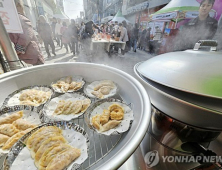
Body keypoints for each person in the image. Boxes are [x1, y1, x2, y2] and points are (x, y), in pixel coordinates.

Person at [9, 0, 44, 65]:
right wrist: (18, 49)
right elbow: (26, 35)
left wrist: (18, 49)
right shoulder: (18, 18)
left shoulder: (16, 18)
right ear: (18, 6)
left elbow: (27, 35)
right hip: (29, 56)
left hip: (28, 55)